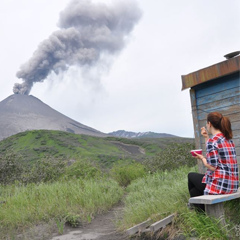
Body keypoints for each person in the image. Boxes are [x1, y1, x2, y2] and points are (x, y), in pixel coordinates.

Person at [188, 112, 239, 211]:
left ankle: (200, 214)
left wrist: (202, 158)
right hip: (233, 185)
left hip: (221, 185)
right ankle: (199, 212)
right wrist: (206, 137)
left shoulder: (213, 141)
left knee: (190, 176)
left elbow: (212, 166)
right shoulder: (228, 140)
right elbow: (215, 156)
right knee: (194, 191)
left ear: (209, 124)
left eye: (207, 123)